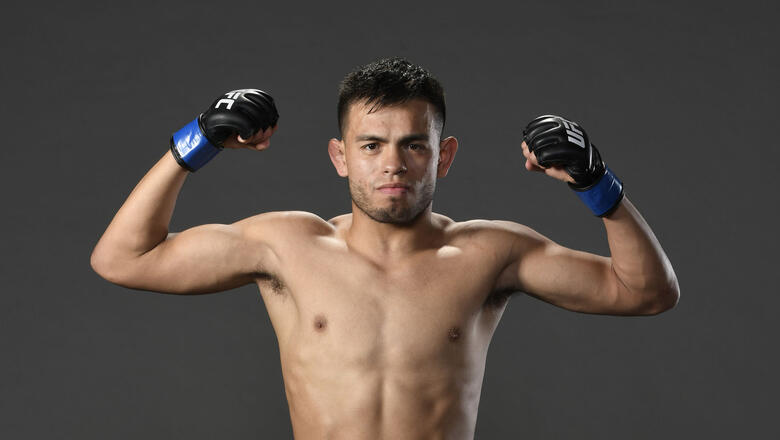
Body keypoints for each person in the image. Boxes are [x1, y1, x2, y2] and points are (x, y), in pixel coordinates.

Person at [90, 57, 679, 439]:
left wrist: (595, 183)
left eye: (413, 146)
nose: (392, 164)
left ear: (443, 156)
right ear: (340, 156)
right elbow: (122, 258)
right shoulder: (287, 245)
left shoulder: (488, 252)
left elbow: (646, 293)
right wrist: (195, 144)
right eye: (370, 145)